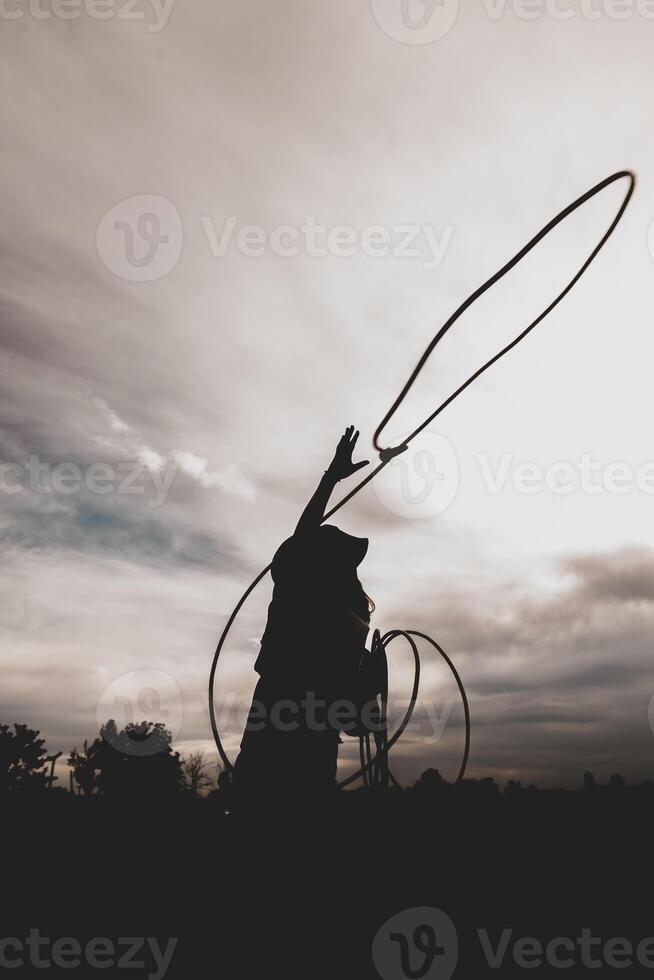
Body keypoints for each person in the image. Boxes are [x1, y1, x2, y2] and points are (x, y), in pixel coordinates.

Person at [233, 427, 377, 800]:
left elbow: (357, 719)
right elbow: (359, 723)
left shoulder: (296, 605)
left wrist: (331, 478)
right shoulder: (348, 630)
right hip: (311, 767)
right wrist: (371, 681)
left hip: (266, 750)